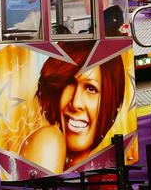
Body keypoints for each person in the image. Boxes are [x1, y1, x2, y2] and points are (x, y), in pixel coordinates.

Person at [20, 43, 127, 172]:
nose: (76, 103)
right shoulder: (49, 139)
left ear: (110, 101)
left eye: (91, 89)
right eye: (70, 83)